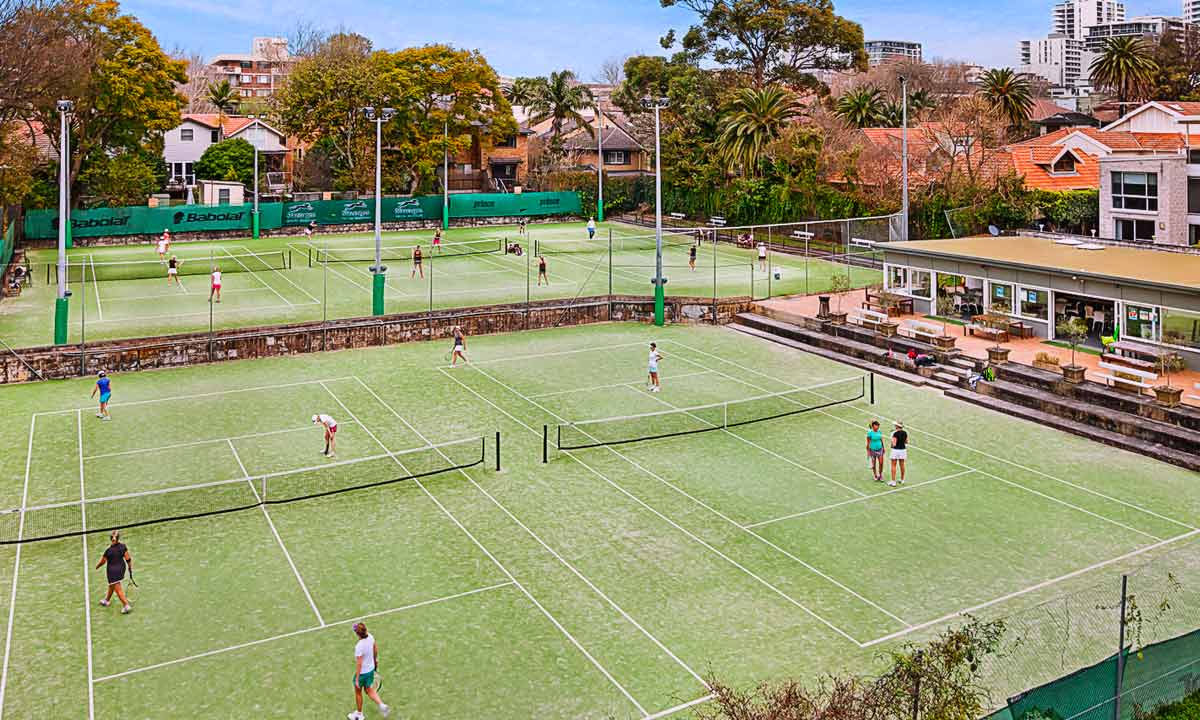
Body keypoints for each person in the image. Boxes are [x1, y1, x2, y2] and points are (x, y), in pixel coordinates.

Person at [348, 622, 390, 720]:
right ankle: (382, 705)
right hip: (370, 670)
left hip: (362, 674)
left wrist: (357, 679)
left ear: (357, 634)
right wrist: (375, 662)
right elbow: (375, 650)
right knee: (368, 689)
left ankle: (359, 714)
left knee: (358, 692)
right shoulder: (371, 637)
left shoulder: (359, 646)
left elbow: (359, 663)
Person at [95, 530, 132, 614]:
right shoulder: (123, 547)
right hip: (121, 569)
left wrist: (97, 566)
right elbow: (128, 559)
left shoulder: (108, 551)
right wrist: (130, 568)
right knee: (112, 585)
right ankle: (107, 600)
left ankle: (126, 605)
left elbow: (103, 561)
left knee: (118, 589)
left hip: (112, 572)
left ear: (111, 539)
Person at [889, 421, 908, 487]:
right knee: (902, 465)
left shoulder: (895, 433)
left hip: (895, 450)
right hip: (903, 450)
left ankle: (893, 482)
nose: (895, 426)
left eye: (895, 425)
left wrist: (892, 438)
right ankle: (902, 480)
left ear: (897, 426)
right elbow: (906, 442)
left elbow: (894, 444)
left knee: (893, 465)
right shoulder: (905, 433)